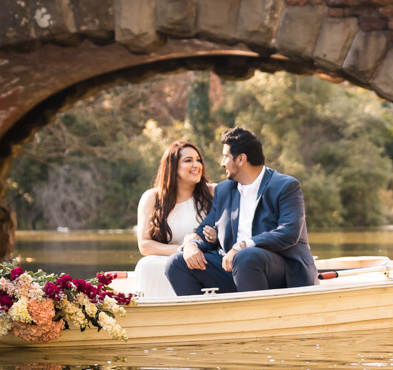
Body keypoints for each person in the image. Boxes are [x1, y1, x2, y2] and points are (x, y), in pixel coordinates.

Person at [165, 126, 318, 295]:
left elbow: (289, 233)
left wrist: (241, 246)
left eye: (225, 157)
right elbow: (204, 230)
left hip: (280, 270)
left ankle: (255, 319)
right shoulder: (224, 190)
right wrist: (191, 245)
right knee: (177, 263)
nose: (222, 163)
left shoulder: (285, 186)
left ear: (240, 159)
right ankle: (204, 319)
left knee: (246, 257)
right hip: (234, 267)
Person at [130, 141, 214, 299]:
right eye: (188, 161)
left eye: (198, 160)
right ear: (172, 167)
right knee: (146, 264)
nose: (196, 165)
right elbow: (145, 245)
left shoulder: (213, 192)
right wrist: (183, 250)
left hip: (202, 261)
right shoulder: (152, 197)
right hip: (169, 257)